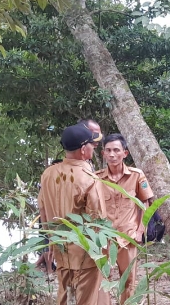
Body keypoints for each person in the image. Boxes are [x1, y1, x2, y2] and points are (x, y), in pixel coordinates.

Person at [37, 124, 106, 305]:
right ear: (84, 149)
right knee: (85, 299)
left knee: (66, 296)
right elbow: (98, 219)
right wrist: (104, 252)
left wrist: (50, 240)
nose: (93, 147)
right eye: (92, 144)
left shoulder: (48, 174)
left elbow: (42, 209)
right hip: (85, 253)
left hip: (60, 249)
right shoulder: (88, 177)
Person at [96, 133, 154, 305]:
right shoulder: (96, 178)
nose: (112, 154)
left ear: (125, 153)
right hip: (103, 237)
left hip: (128, 237)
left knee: (128, 281)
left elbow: (146, 202)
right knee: (102, 279)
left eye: (116, 150)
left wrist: (140, 230)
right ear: (103, 154)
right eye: (108, 150)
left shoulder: (136, 176)